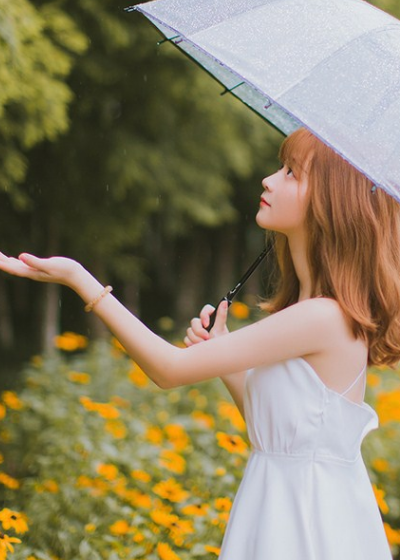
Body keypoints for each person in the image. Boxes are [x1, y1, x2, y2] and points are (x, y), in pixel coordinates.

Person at [0, 127, 399, 559]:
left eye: (291, 173)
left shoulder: (321, 315)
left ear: (329, 205)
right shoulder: (312, 312)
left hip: (303, 519)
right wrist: (225, 354)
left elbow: (167, 370)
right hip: (288, 501)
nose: (269, 179)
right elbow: (277, 430)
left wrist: (80, 279)